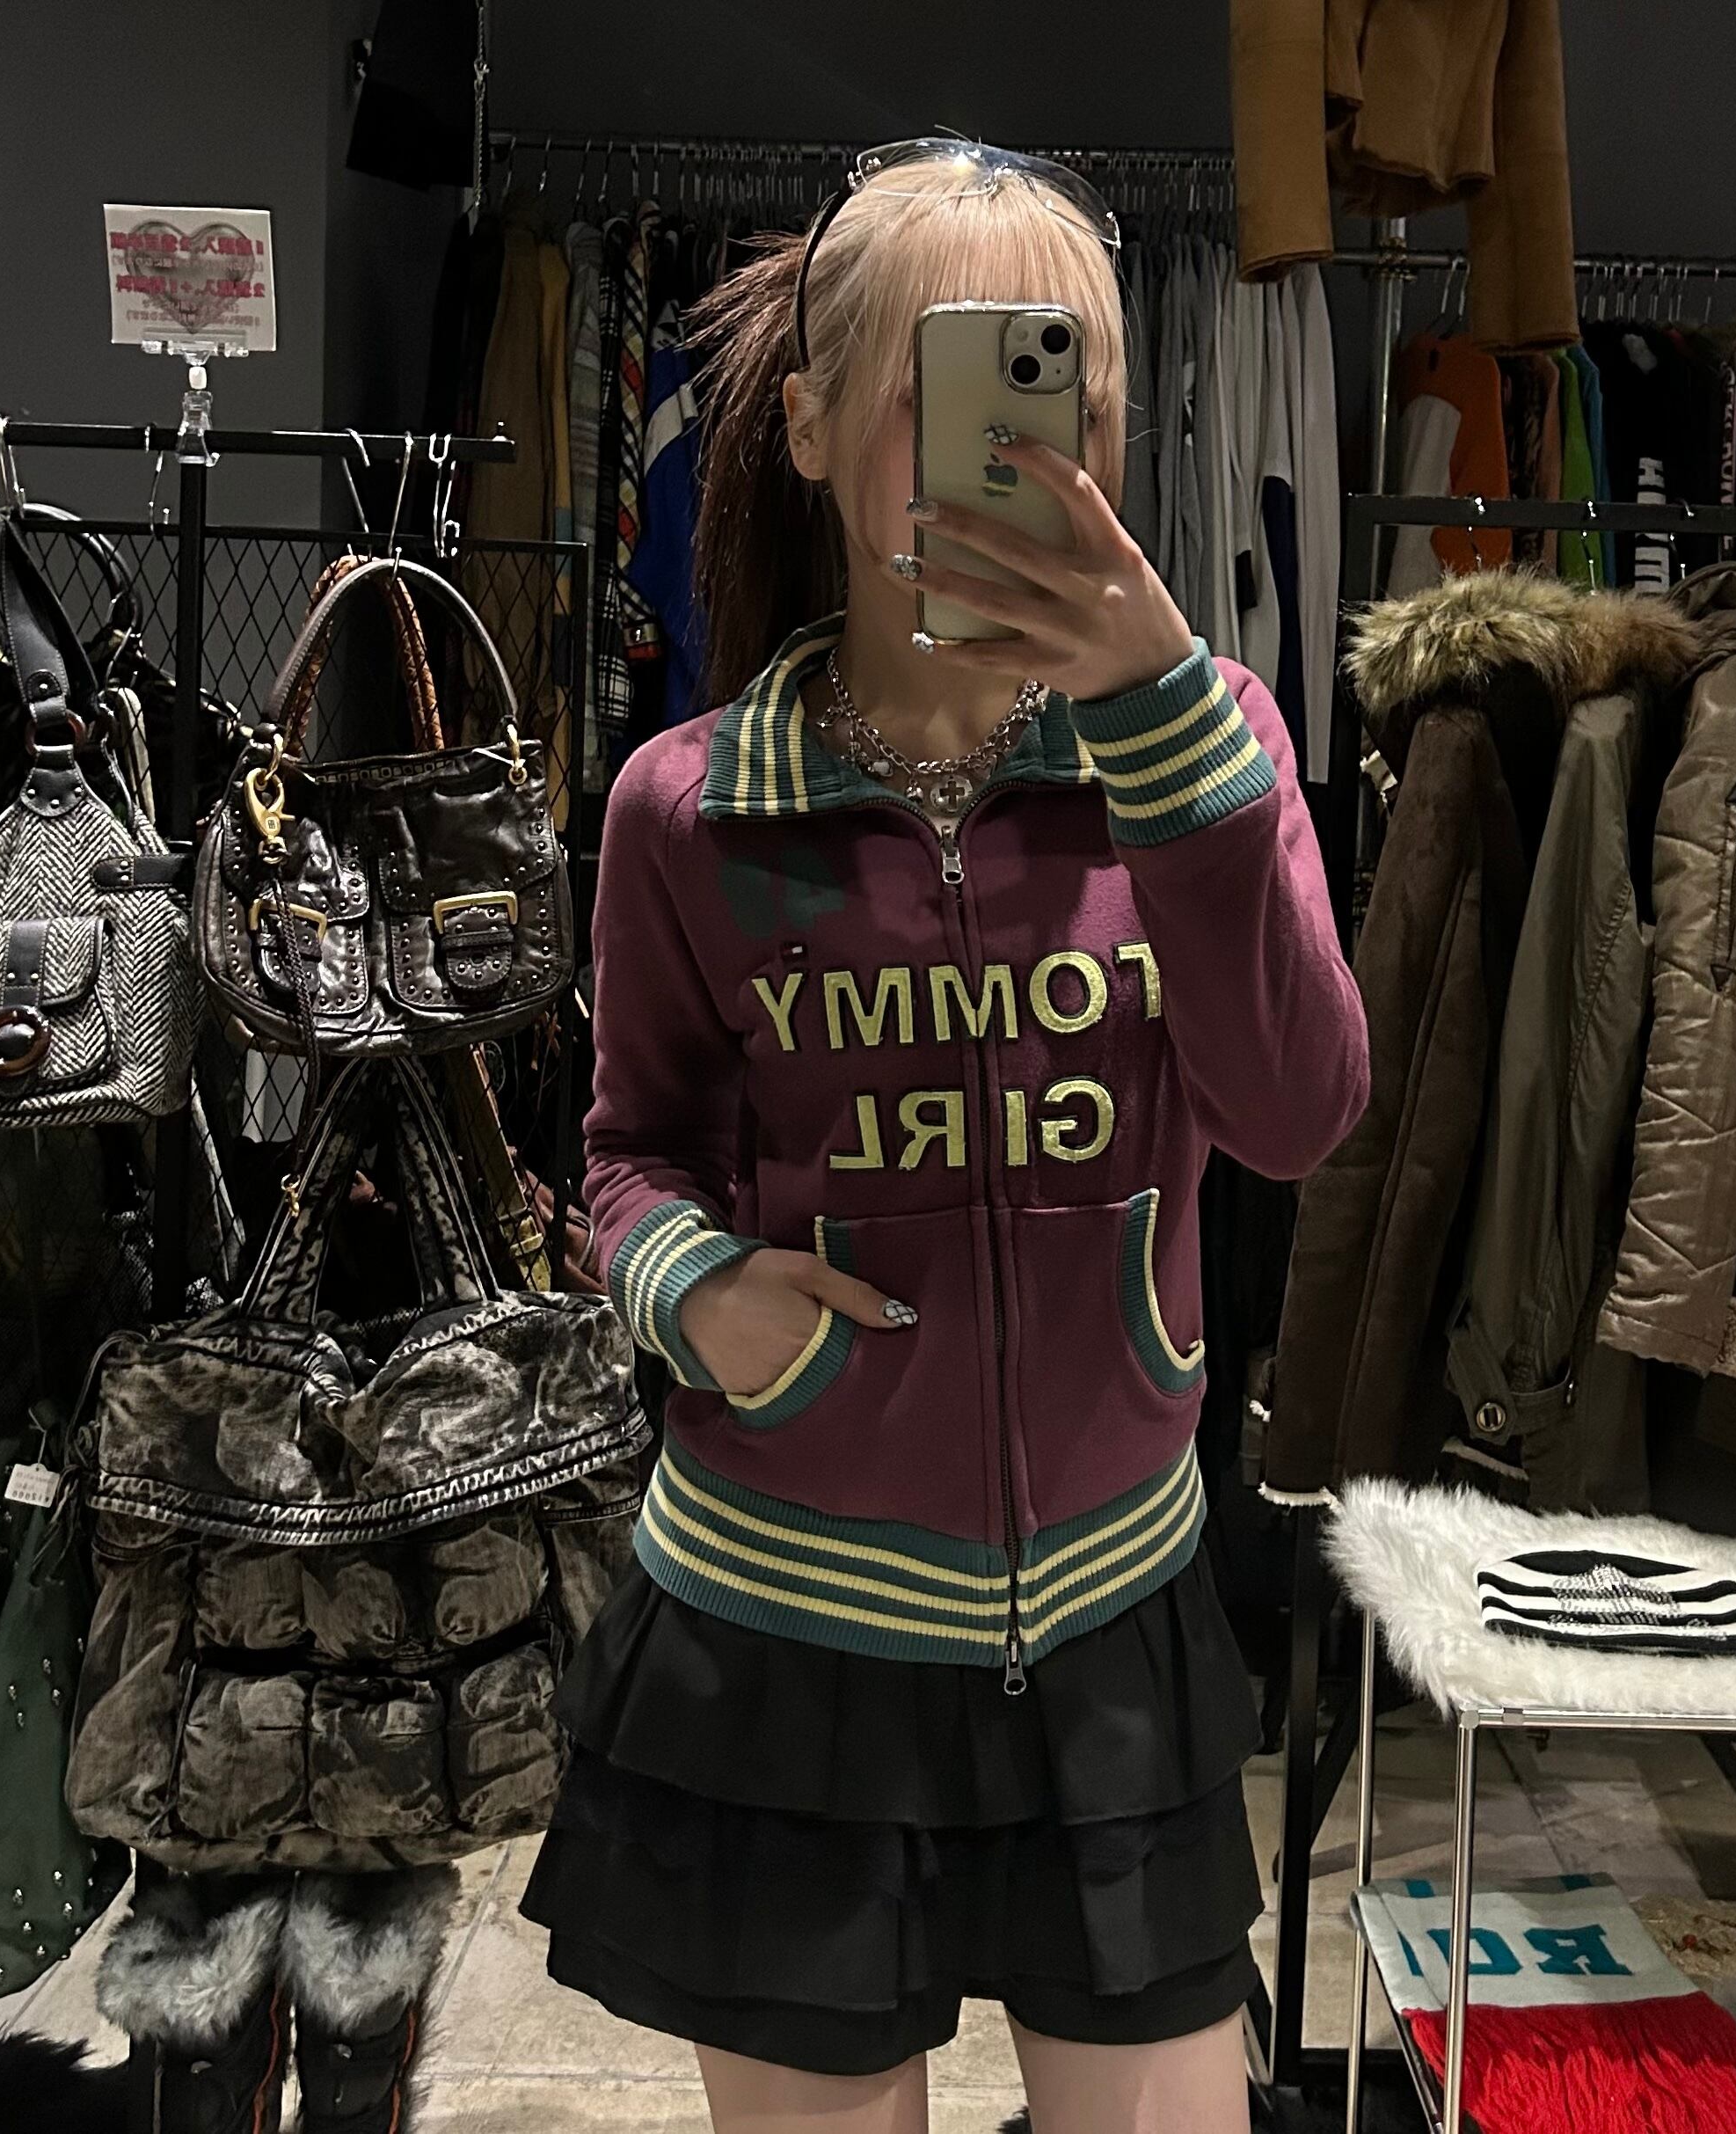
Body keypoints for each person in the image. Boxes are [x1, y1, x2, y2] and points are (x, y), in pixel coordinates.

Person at [522, 141, 1369, 2134]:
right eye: (946, 388)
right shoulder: (686, 804)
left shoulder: (1211, 745)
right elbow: (628, 1149)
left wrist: (1164, 726)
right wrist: (696, 1295)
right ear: (812, 425)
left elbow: (1296, 1111)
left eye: (1057, 389)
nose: (1016, 448)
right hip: (780, 1632)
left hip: (1112, 1617)